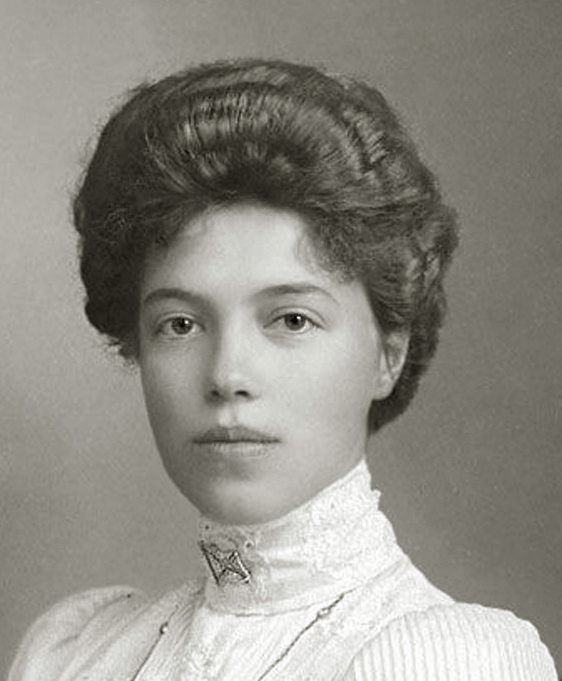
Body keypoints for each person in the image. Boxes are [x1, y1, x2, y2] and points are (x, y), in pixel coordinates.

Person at [8, 58, 557, 680]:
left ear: (389, 354)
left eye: (292, 320)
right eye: (180, 324)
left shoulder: (448, 661)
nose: (227, 375)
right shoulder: (77, 654)